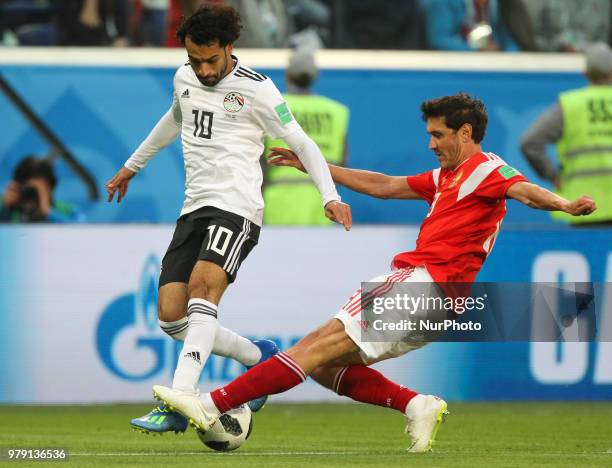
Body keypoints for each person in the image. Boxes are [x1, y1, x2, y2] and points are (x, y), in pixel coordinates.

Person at [152, 93, 596, 452]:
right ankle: (416, 404)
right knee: (323, 365)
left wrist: (564, 203)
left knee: (310, 349)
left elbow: (524, 190)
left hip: (424, 285)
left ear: (466, 133)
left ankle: (209, 403)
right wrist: (315, 165)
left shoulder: (487, 169)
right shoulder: (447, 177)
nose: (431, 144)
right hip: (439, 300)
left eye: (438, 135)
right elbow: (385, 185)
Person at [105, 3, 351, 434]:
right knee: (170, 317)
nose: (202, 69)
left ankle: (180, 399)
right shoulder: (185, 76)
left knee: (204, 289)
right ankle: (258, 357)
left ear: (229, 48)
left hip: (237, 207)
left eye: (211, 60)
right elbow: (174, 118)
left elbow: (305, 144)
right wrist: (133, 165)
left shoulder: (258, 90)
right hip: (193, 209)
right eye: (195, 60)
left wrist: (329, 195)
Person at [520, 42, 612, 226]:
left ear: (585, 74)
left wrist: (552, 175)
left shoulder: (570, 105)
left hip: (585, 204)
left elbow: (530, 142)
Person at [264, 49, 349, 225]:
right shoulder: (335, 111)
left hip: (279, 203)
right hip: (324, 205)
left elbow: (259, 163)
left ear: (288, 74)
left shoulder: (276, 107)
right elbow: (343, 163)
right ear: (315, 76)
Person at [0, 156, 84, 223]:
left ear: (50, 188)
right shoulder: (5, 203)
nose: (33, 194)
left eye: (40, 189)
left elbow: (81, 234)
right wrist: (5, 209)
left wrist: (48, 213)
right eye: (29, 189)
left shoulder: (69, 211)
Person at [423, 0, 517, 51]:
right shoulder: (443, 2)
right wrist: (476, 51)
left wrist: (512, 59)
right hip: (453, 65)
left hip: (495, 64)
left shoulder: (501, 3)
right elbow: (439, 40)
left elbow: (508, 38)